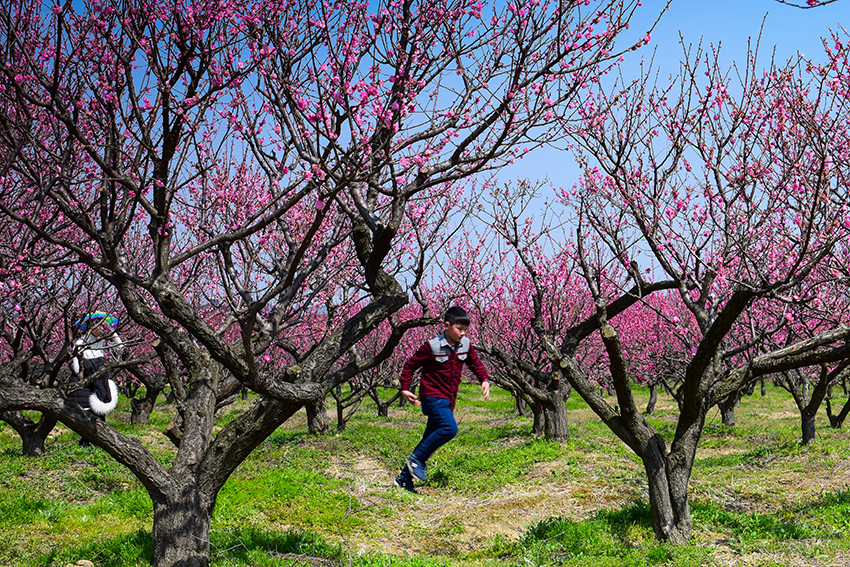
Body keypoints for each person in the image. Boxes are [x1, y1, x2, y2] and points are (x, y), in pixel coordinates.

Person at [395, 306, 490, 493]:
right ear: (447, 326)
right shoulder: (431, 346)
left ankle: (404, 479)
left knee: (428, 439)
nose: (462, 333)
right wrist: (405, 388)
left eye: (465, 330)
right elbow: (410, 366)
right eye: (459, 328)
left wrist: (484, 379)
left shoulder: (466, 345)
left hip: (448, 400)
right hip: (432, 396)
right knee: (449, 428)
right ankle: (416, 461)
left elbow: (475, 363)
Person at [69, 314, 124, 446]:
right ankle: (88, 445)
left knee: (99, 419)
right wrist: (93, 368)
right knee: (90, 419)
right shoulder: (80, 343)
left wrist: (111, 330)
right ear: (90, 326)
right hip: (86, 385)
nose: (102, 329)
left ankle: (96, 444)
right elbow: (77, 369)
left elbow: (120, 347)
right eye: (99, 326)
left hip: (99, 384)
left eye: (102, 326)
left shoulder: (100, 342)